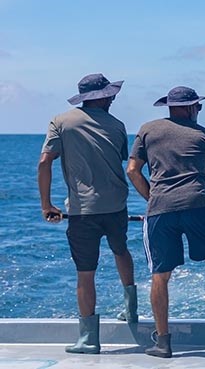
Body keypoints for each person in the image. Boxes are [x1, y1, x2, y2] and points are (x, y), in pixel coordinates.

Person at [126, 86, 205, 358]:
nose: (199, 111)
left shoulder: (147, 129)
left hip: (159, 210)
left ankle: (164, 342)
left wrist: (152, 198)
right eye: (198, 107)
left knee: (160, 274)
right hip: (197, 206)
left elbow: (132, 171)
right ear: (191, 107)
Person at [38, 73, 139, 354]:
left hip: (82, 210)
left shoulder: (61, 122)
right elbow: (119, 159)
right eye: (111, 94)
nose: (113, 98)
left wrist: (47, 204)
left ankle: (89, 339)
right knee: (121, 251)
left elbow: (45, 162)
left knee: (85, 273)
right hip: (117, 205)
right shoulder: (118, 125)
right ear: (103, 97)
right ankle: (131, 310)